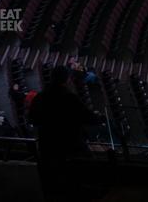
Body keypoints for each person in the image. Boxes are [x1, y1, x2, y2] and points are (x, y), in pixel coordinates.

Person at [30, 65, 99, 201]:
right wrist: (96, 117)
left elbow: (33, 118)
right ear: (66, 80)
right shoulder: (69, 97)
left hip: (48, 147)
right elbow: (87, 117)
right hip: (70, 145)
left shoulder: (40, 97)